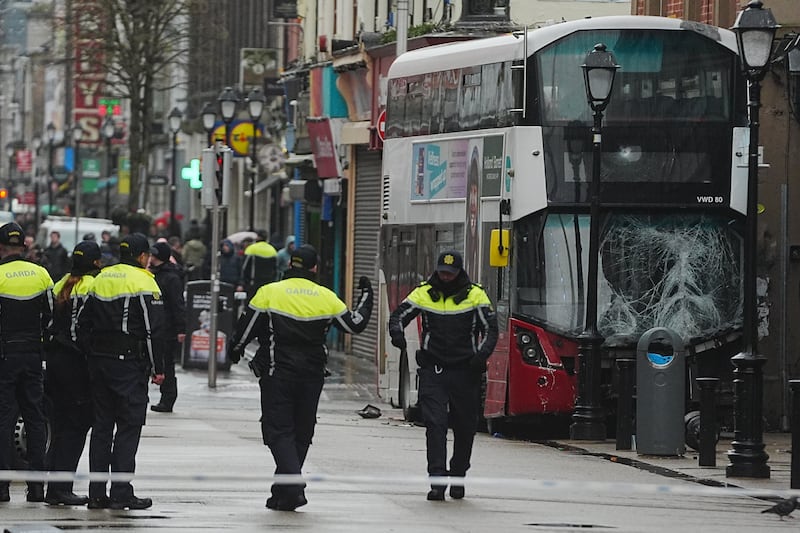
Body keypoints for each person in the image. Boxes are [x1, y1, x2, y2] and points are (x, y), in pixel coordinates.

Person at [228, 244, 373, 511]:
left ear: (289, 265)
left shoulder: (269, 292)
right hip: (312, 375)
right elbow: (354, 324)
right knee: (302, 432)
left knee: (278, 431)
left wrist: (234, 351)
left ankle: (292, 486)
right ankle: (283, 493)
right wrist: (367, 296)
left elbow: (245, 327)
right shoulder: (326, 296)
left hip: (276, 373)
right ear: (315, 268)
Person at [388, 250, 498, 501]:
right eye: (442, 272)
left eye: (450, 273)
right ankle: (437, 481)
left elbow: (491, 330)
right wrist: (397, 334)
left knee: (465, 427)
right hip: (433, 371)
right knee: (435, 425)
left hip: (465, 372)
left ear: (459, 273)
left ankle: (458, 475)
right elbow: (399, 316)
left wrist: (481, 356)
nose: (445, 277)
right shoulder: (424, 292)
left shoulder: (475, 295)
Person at [77, 232, 165, 510]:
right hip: (129, 365)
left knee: (102, 428)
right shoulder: (144, 281)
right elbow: (153, 331)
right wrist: (158, 368)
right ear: (142, 256)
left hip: (100, 364)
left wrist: (92, 353)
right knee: (128, 427)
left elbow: (81, 323)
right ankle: (121, 493)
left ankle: (96, 493)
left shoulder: (101, 278)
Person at [44, 241, 103, 506]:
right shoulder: (93, 285)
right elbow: (89, 329)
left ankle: (53, 487)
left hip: (56, 360)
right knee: (76, 426)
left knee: (59, 425)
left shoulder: (61, 283)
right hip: (76, 364)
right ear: (96, 262)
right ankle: (61, 489)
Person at [0, 222, 54, 503]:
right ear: (24, 246)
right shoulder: (42, 274)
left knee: (5, 419)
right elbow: (51, 315)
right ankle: (36, 489)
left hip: (5, 355)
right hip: (33, 354)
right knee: (35, 418)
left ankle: (2, 488)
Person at [148, 242, 186, 413]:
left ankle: (168, 398)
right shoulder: (156, 274)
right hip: (158, 325)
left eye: (154, 255)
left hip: (167, 327)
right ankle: (166, 397)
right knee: (162, 362)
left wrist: (180, 329)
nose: (151, 257)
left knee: (167, 364)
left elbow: (178, 305)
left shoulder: (171, 278)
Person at [240, 229, 277, 299]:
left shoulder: (251, 249)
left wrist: (244, 283)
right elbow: (275, 269)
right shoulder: (272, 250)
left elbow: (244, 267)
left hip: (253, 283)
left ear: (258, 237)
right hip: (268, 283)